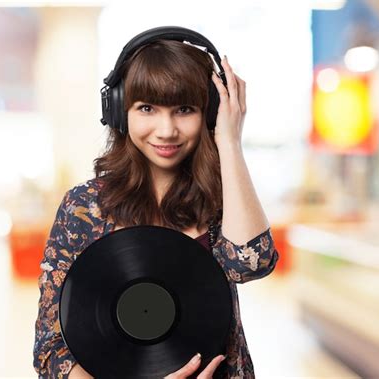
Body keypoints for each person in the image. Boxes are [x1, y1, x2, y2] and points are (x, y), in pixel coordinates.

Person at [33, 28, 279, 379]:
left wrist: (229, 141)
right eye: (147, 108)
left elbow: (251, 263)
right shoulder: (83, 207)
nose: (166, 130)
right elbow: (50, 348)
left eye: (184, 109)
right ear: (119, 110)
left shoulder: (224, 201)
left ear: (208, 114)